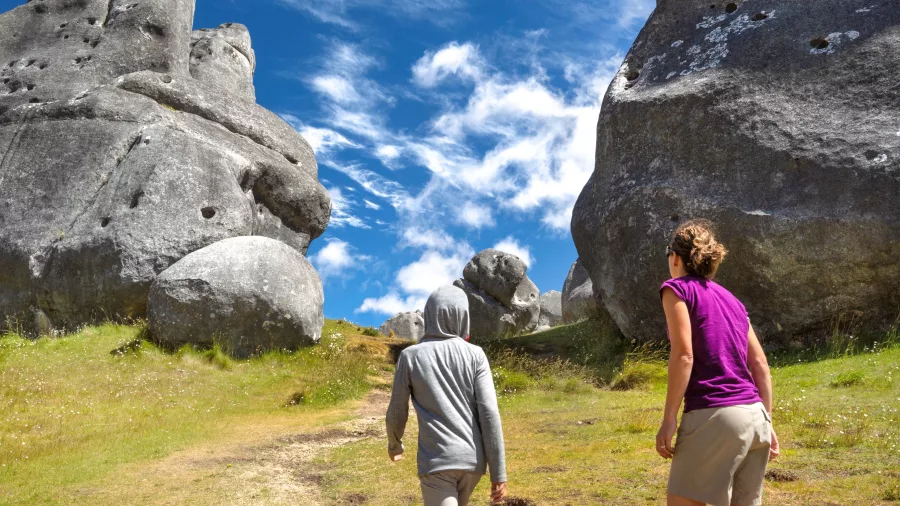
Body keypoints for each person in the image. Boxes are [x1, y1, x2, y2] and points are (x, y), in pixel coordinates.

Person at [655, 220, 780, 506]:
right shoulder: (733, 301)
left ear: (675, 257)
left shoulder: (676, 289)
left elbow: (684, 355)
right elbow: (759, 363)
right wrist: (768, 421)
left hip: (715, 415)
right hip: (755, 417)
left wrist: (669, 418)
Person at [386, 285, 508, 506]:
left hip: (437, 462)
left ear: (430, 315)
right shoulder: (476, 355)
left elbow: (397, 409)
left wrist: (395, 444)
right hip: (473, 463)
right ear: (463, 316)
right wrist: (498, 472)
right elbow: (489, 412)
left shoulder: (410, 357)